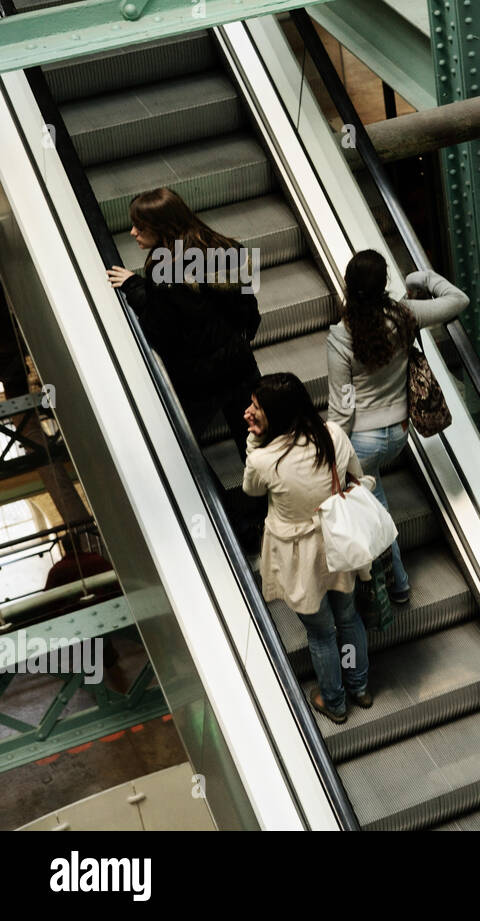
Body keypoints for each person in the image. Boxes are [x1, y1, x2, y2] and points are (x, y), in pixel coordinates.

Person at [107, 188, 263, 548]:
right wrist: (240, 339)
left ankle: (230, 522)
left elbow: (162, 333)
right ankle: (263, 509)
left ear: (162, 227)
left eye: (139, 226)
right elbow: (244, 306)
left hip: (199, 379)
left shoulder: (163, 273)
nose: (132, 233)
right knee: (254, 438)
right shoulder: (222, 246)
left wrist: (135, 287)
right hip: (238, 363)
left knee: (179, 444)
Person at [326, 250, 469, 606]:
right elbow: (458, 300)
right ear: (384, 283)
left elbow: (342, 408)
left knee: (374, 513)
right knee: (376, 503)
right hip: (400, 433)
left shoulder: (342, 338)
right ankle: (398, 583)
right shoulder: (405, 316)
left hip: (364, 441)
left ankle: (398, 586)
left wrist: (330, 451)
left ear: (348, 285)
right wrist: (421, 279)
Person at [242, 372, 372, 724]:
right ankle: (359, 686)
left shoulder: (264, 460)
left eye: (256, 407)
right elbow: (356, 476)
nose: (249, 412)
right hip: (338, 542)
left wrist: (255, 442)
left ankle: (334, 701)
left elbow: (251, 489)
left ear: (276, 414)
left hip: (298, 555)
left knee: (320, 633)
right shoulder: (332, 435)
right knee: (348, 618)